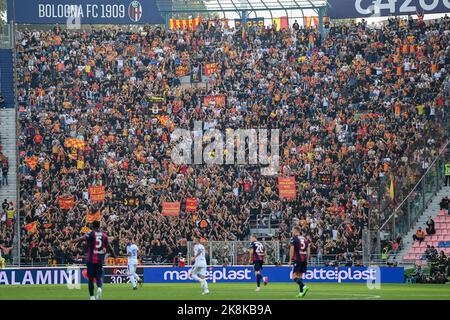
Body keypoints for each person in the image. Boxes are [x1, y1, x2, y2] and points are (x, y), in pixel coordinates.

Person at [70, 220, 116, 300]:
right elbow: (109, 247)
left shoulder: (91, 233)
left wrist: (72, 241)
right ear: (99, 226)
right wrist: (114, 256)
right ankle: (99, 289)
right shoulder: (104, 235)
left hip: (90, 260)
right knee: (98, 277)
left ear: (92, 226)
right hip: (99, 260)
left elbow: (82, 238)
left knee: (91, 279)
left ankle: (92, 297)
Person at [289, 226, 310, 298]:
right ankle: (301, 292)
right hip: (304, 258)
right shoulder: (305, 239)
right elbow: (308, 248)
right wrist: (308, 257)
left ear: (296, 230)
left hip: (297, 258)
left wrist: (290, 259)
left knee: (294, 276)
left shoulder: (294, 238)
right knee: (300, 276)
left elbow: (292, 249)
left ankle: (304, 286)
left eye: (292, 230)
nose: (292, 232)